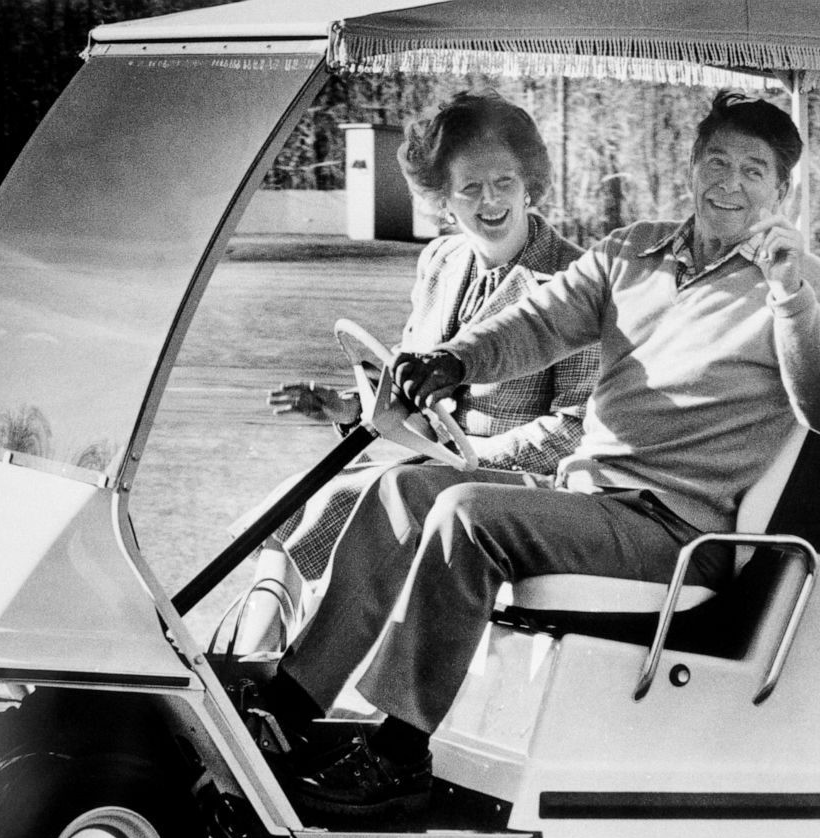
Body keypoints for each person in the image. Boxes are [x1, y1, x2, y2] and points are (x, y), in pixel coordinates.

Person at [262, 89, 820, 819]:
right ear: (693, 165)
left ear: (782, 188)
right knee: (404, 489)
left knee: (469, 512)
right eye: (716, 160)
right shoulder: (629, 255)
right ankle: (289, 707)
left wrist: (788, 295)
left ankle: (397, 754)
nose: (728, 183)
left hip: (679, 531)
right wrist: (454, 360)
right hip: (593, 499)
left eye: (753, 169)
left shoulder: (801, 285)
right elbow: (536, 325)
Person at [253, 91, 600, 584]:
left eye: (505, 182)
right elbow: (413, 385)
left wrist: (463, 463)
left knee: (343, 499)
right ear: (442, 198)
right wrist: (350, 409)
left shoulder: (575, 279)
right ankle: (252, 657)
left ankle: (288, 658)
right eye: (470, 187)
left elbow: (575, 428)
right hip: (433, 467)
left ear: (530, 185)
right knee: (292, 501)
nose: (491, 200)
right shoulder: (439, 261)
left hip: (521, 487)